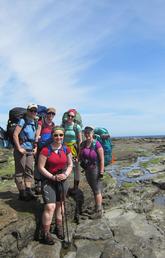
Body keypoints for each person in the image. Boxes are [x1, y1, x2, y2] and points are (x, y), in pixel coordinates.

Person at [38, 126, 73, 245]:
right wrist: (52, 177)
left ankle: (59, 228)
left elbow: (70, 164)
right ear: (52, 136)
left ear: (63, 136)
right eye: (56, 135)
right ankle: (45, 234)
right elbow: (40, 167)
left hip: (62, 180)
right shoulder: (45, 150)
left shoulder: (66, 149)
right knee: (50, 207)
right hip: (49, 180)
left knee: (60, 204)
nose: (58, 137)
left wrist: (66, 174)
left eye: (61, 135)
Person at [13, 104, 38, 201]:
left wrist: (35, 147)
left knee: (29, 170)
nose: (33, 112)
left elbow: (34, 137)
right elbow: (15, 134)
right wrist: (19, 148)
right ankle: (22, 193)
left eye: (35, 111)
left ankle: (28, 190)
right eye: (31, 110)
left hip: (30, 150)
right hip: (22, 149)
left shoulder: (34, 122)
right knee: (20, 171)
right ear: (27, 111)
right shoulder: (23, 121)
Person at [79, 126, 104, 218]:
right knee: (94, 189)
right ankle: (98, 208)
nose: (87, 134)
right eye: (85, 132)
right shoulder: (83, 144)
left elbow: (101, 159)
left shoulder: (97, 144)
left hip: (95, 170)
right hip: (87, 169)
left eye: (89, 132)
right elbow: (79, 156)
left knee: (97, 190)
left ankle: (98, 211)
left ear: (92, 134)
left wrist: (101, 172)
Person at [34, 107, 56, 194]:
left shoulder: (53, 125)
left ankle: (46, 182)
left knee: (47, 164)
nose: (51, 115)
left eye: (53, 114)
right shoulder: (41, 122)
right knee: (38, 164)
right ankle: (38, 183)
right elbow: (37, 134)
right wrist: (35, 145)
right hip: (41, 148)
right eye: (49, 113)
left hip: (49, 149)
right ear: (46, 114)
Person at [62, 109, 82, 191]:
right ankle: (64, 187)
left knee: (76, 168)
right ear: (66, 116)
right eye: (69, 115)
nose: (70, 117)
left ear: (74, 117)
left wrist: (79, 154)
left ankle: (75, 188)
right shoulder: (63, 126)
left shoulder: (77, 127)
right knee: (64, 167)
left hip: (74, 149)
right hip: (64, 149)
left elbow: (80, 140)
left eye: (72, 116)